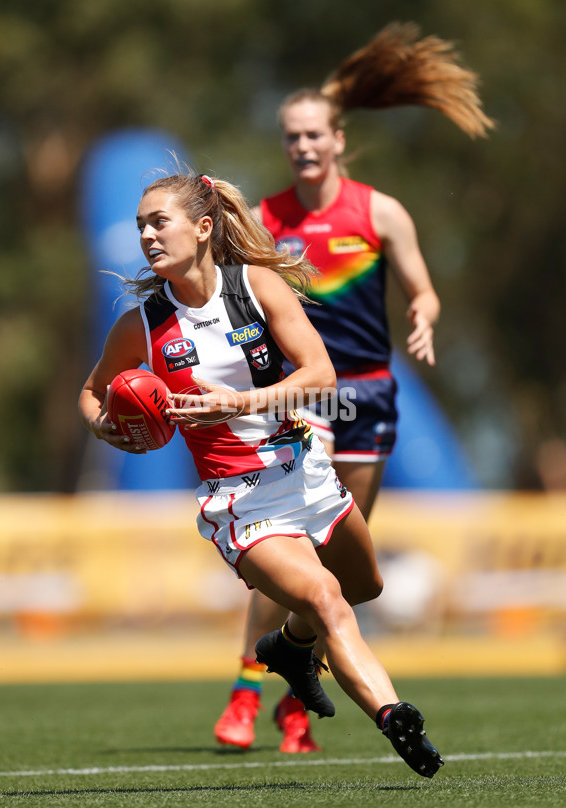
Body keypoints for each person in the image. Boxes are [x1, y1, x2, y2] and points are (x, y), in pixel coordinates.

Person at [78, 171, 444, 779]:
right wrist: (103, 425)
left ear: (202, 228)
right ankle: (394, 716)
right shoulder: (141, 325)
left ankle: (290, 650)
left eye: (158, 221)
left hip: (304, 474)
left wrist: (238, 403)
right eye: (141, 224)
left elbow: (321, 379)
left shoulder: (256, 286)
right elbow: (93, 392)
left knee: (363, 586)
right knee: (327, 599)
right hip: (239, 502)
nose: (146, 234)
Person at [214, 21, 495, 753]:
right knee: (289, 556)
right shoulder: (266, 223)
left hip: (367, 395)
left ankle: (293, 682)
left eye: (314, 135)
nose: (303, 147)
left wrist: (423, 317)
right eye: (291, 137)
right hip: (301, 399)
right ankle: (252, 694)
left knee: (343, 562)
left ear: (339, 140)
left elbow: (425, 291)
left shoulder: (379, 212)